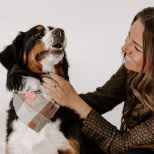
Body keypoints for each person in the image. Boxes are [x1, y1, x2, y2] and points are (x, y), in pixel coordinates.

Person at [42, 7, 154, 154]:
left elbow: (122, 145)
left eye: (137, 48)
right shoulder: (132, 69)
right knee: (80, 127)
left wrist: (73, 101)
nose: (124, 47)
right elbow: (101, 100)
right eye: (129, 36)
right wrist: (51, 102)